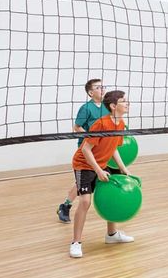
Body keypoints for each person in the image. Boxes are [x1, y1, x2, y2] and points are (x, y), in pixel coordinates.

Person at [69, 90, 134, 258]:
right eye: (123, 101)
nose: (127, 103)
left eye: (126, 101)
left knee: (111, 195)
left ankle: (111, 235)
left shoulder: (120, 124)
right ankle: (76, 242)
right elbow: (85, 149)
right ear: (113, 106)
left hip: (101, 164)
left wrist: (123, 168)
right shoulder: (101, 124)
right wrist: (98, 170)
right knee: (85, 201)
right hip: (84, 164)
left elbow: (114, 149)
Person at [57, 79, 108, 223]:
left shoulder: (107, 107)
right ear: (91, 93)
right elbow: (77, 127)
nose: (102, 89)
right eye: (98, 87)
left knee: (88, 180)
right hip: (86, 149)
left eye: (103, 86)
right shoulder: (86, 108)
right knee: (85, 179)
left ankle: (66, 205)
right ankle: (66, 206)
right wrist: (91, 137)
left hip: (102, 149)